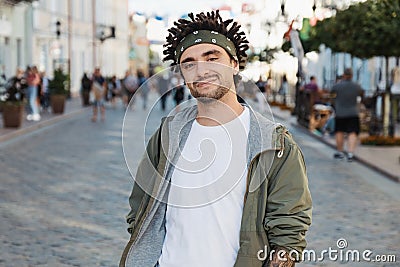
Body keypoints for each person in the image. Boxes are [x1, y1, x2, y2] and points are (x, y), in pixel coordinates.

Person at [120, 10, 312, 267]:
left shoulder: (274, 144)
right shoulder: (168, 135)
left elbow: (289, 229)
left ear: (234, 64)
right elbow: (140, 207)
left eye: (212, 58)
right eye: (189, 63)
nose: (201, 70)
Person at [331, 68, 364, 162]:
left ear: (344, 75)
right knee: (352, 132)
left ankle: (340, 152)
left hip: (340, 112)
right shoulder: (357, 86)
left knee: (339, 132)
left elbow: (331, 95)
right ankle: (350, 153)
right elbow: (362, 95)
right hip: (353, 112)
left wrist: (335, 104)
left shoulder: (337, 86)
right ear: (352, 75)